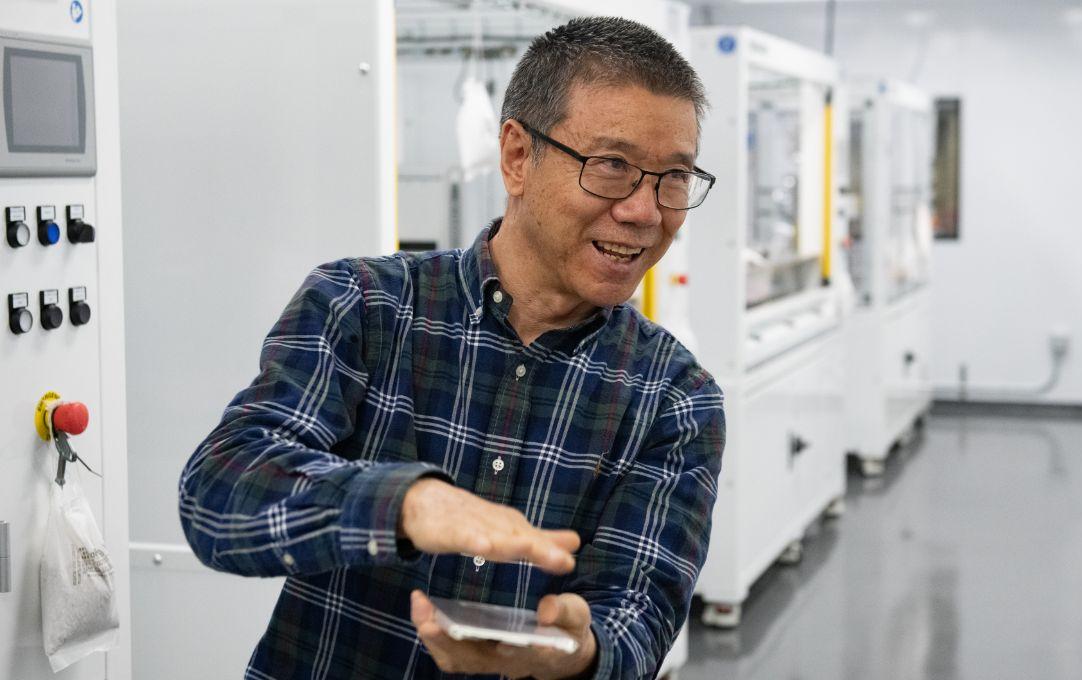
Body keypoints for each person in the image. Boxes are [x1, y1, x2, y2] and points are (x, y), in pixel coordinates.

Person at [178, 15, 724, 680]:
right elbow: (218, 494)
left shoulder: (675, 399)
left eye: (673, 177)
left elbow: (640, 610)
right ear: (518, 156)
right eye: (612, 166)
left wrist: (578, 652)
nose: (645, 211)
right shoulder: (364, 305)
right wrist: (408, 505)